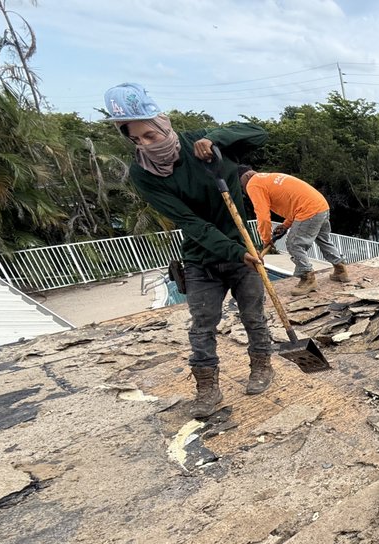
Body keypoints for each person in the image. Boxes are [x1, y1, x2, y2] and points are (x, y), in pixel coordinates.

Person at [104, 82, 273, 418]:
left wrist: (218, 140)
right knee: (202, 325)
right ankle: (207, 388)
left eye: (149, 135)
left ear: (162, 122)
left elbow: (258, 133)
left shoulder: (201, 140)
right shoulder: (144, 173)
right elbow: (191, 223)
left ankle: (262, 367)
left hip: (242, 252)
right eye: (135, 139)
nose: (145, 144)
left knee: (253, 316)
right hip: (202, 258)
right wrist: (234, 251)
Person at [238, 167, 350, 295]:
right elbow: (295, 202)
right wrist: (285, 225)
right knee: (323, 240)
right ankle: (341, 270)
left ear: (245, 178)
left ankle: (308, 278)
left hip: (309, 210)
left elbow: (263, 217)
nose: (243, 189)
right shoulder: (268, 178)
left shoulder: (253, 184)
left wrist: (266, 239)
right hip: (321, 206)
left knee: (294, 244)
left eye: (240, 184)